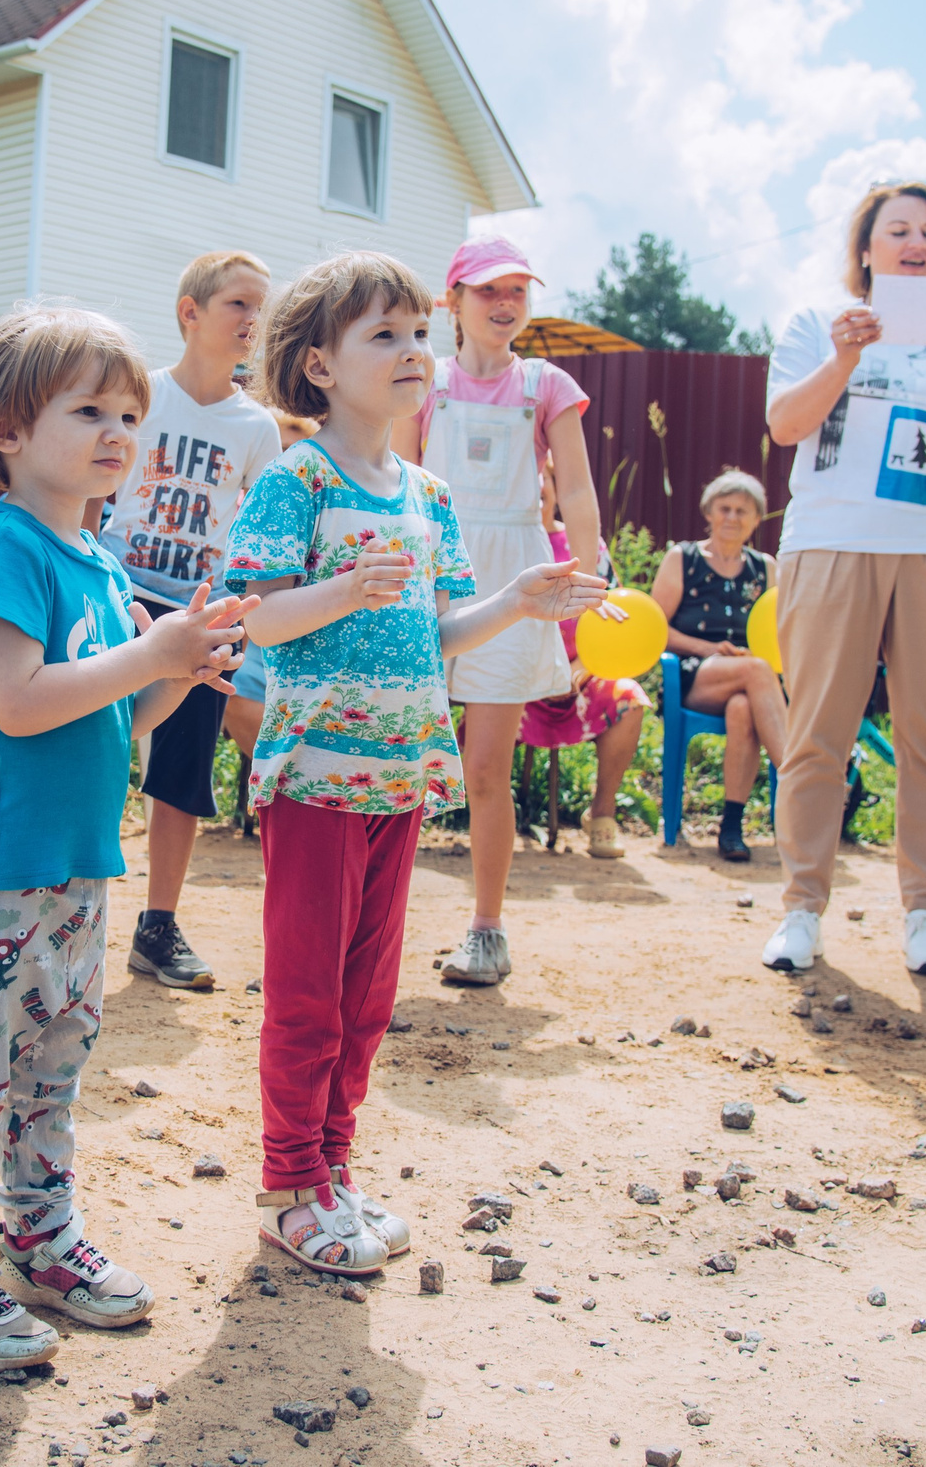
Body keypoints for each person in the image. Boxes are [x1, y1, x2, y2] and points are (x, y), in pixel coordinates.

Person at [0, 306, 247, 1372]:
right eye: (87, 408)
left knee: (50, 1069)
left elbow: (112, 720)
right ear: (4, 426)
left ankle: (38, 1242)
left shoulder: (94, 558)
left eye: (129, 412)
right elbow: (18, 700)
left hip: (80, 871)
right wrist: (150, 654)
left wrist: (173, 672)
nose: (116, 430)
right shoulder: (7, 548)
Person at [229, 252, 605, 1274]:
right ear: (318, 365)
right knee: (307, 992)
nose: (410, 351)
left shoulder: (427, 493)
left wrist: (519, 600)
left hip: (401, 776)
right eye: (382, 335)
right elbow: (255, 612)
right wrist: (345, 588)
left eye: (416, 333)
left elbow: (442, 627)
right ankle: (285, 1183)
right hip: (313, 775)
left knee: (366, 993)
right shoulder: (295, 478)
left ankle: (333, 1171)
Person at [759, 181, 926, 977]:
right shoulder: (817, 324)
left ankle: (923, 916)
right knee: (817, 738)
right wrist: (846, 356)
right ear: (866, 249)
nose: (916, 242)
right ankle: (802, 910)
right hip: (834, 544)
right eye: (897, 229)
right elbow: (784, 425)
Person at [393, 234, 602, 987]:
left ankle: (487, 930)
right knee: (396, 756)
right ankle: (370, 928)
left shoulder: (546, 384)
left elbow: (575, 492)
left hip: (515, 575)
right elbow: (395, 480)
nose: (505, 303)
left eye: (518, 290)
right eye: (488, 290)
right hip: (428, 572)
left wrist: (592, 568)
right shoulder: (425, 380)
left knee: (486, 767)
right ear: (452, 301)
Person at [97, 251, 284, 989]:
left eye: (258, 309)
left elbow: (259, 536)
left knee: (182, 771)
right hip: (121, 592)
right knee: (95, 741)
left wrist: (239, 612)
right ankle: (62, 896)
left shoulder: (258, 428)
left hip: (201, 610)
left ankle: (158, 924)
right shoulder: (141, 396)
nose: (251, 321)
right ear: (190, 312)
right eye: (238, 304)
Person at [648, 469, 785, 862]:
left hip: (746, 681)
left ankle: (731, 828)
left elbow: (778, 629)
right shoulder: (684, 558)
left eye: (743, 510)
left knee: (744, 706)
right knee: (758, 671)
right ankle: (799, 775)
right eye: (724, 508)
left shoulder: (766, 568)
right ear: (709, 512)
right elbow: (656, 629)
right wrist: (710, 649)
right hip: (694, 673)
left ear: (757, 519)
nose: (732, 517)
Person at [518, 460, 648, 859]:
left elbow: (613, 615)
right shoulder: (500, 541)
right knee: (483, 702)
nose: (537, 485)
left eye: (545, 478)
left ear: (556, 489)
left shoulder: (583, 546)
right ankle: (492, 817)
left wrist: (587, 664)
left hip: (579, 676)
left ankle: (603, 813)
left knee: (630, 699)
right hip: (514, 677)